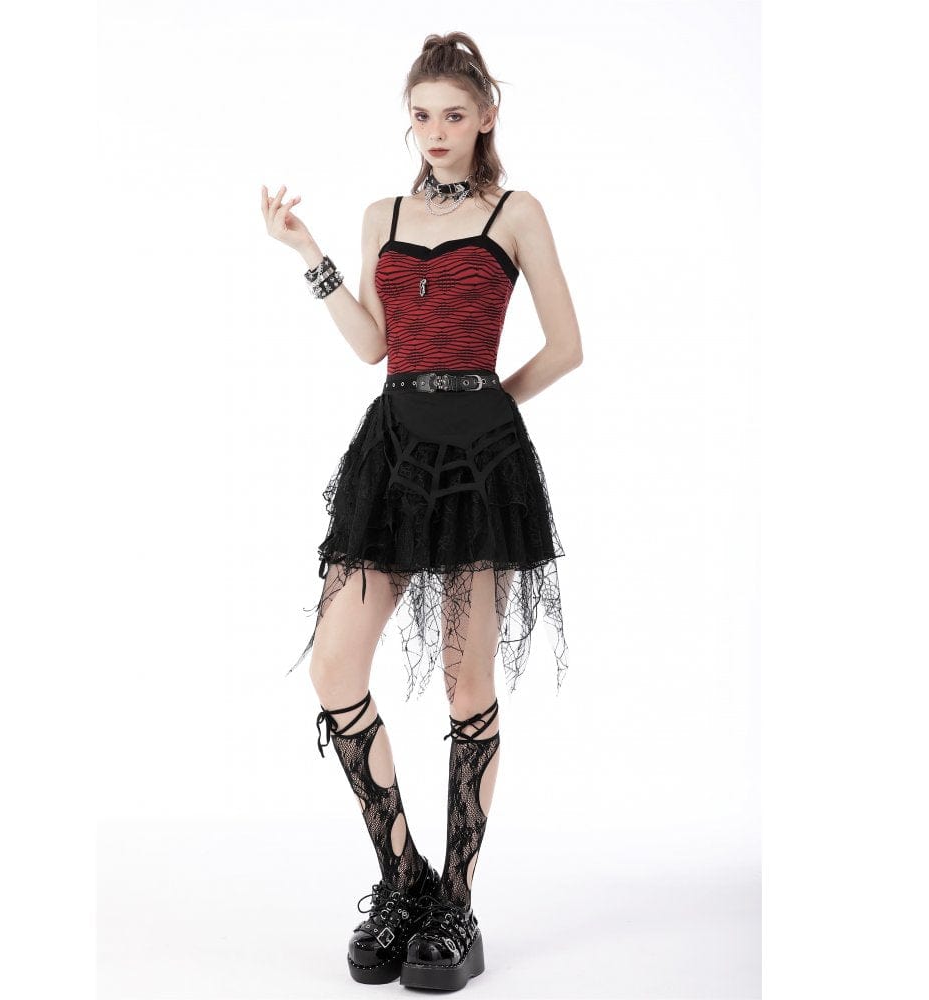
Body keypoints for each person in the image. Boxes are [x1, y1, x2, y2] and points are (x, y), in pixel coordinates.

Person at [260, 31, 582, 991]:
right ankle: (404, 878)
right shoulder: (384, 215)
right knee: (334, 665)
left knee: (463, 683)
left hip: (478, 465)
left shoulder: (517, 212)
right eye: (421, 115)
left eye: (453, 114)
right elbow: (373, 344)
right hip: (393, 454)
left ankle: (458, 908)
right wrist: (308, 252)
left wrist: (489, 415)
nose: (435, 131)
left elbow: (566, 345)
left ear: (486, 117)